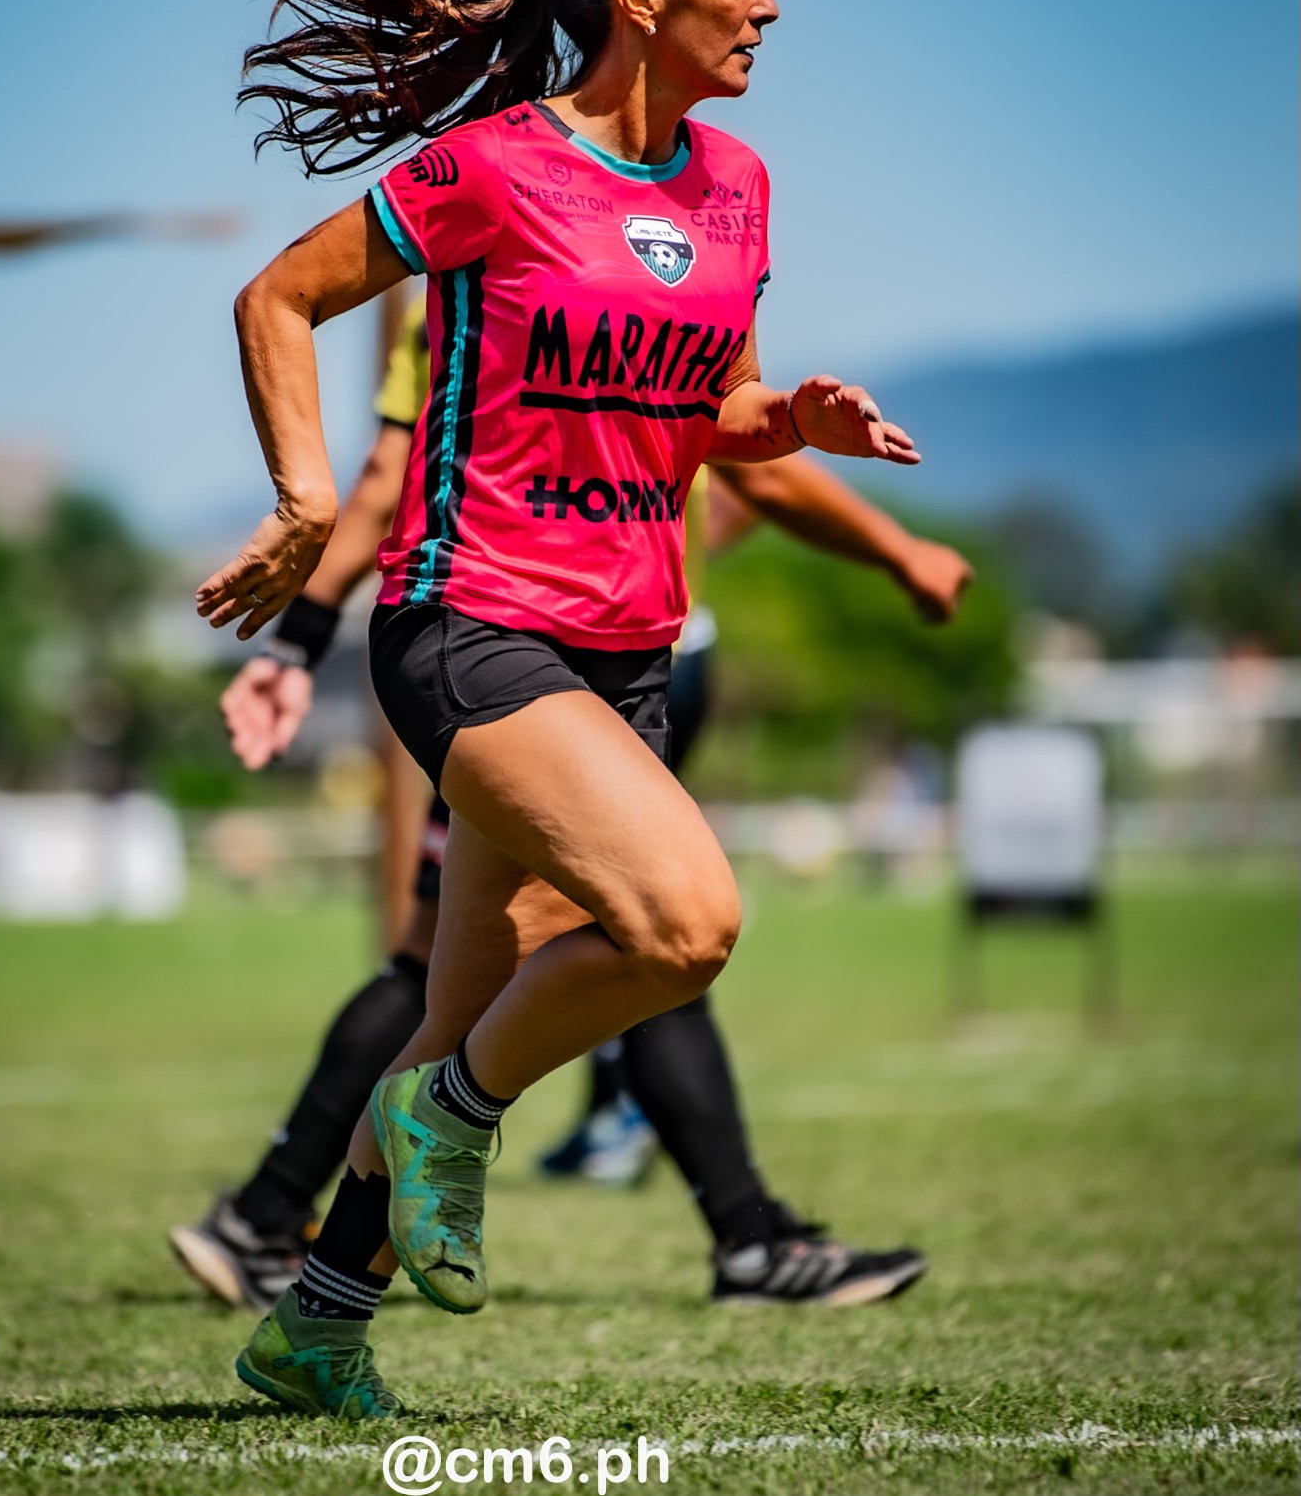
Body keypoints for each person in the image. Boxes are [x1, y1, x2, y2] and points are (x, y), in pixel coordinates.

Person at [197, 0, 922, 1417]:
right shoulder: (492, 169)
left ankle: (313, 1327)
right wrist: (309, 499)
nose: (769, 2)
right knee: (684, 924)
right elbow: (274, 297)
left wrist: (784, 416)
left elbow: (709, 402)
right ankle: (452, 1120)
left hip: (630, 648)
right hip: (468, 625)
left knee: (459, 1012)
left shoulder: (739, 184)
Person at [171, 302, 971, 1312]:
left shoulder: (681, 224)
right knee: (623, 942)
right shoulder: (490, 245)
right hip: (512, 660)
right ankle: (405, 1157)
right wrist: (297, 636)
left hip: (617, 654)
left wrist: (810, 457)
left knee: (489, 975)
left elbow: (737, 447)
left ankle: (311, 1308)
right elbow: (305, 337)